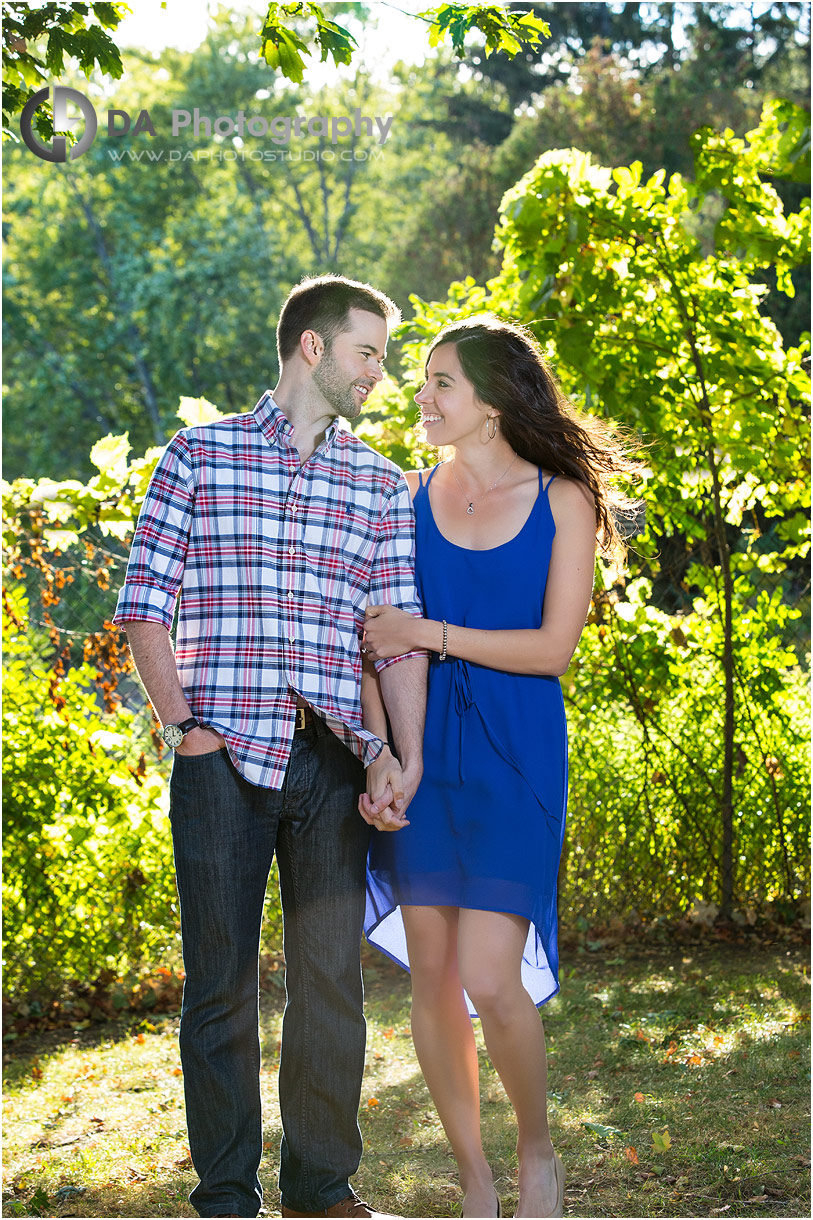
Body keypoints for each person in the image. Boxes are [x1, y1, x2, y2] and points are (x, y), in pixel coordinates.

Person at [113, 274, 427, 1220]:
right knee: (219, 988)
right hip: (222, 765)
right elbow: (142, 608)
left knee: (330, 985)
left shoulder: (375, 481)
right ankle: (225, 1196)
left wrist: (394, 755)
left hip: (333, 766)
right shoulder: (198, 456)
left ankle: (322, 1189)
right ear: (314, 349)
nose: (381, 373)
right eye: (369, 352)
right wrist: (186, 728)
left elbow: (391, 632)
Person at [360, 316, 642, 1219]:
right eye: (423, 380)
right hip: (421, 754)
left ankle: (536, 1151)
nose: (422, 396)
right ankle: (474, 1180)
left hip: (519, 753)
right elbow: (377, 648)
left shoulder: (564, 500)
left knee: (490, 974)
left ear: (491, 400)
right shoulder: (403, 498)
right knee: (433, 972)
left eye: (441, 381)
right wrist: (383, 758)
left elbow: (553, 648)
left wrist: (431, 634)